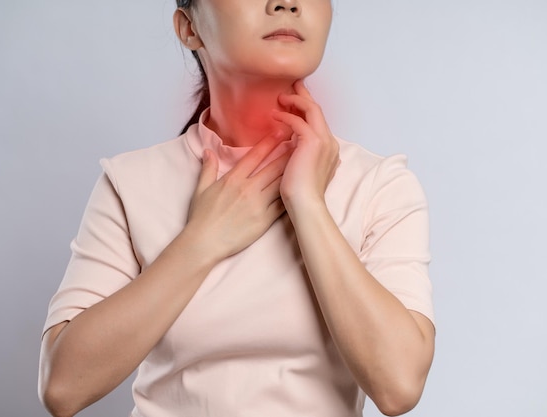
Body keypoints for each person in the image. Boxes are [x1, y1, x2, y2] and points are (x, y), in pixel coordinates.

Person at [38, 0, 436, 416]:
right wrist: (200, 242)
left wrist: (307, 204)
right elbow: (63, 388)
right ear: (189, 27)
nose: (286, 3)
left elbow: (399, 387)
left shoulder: (378, 185)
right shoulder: (131, 182)